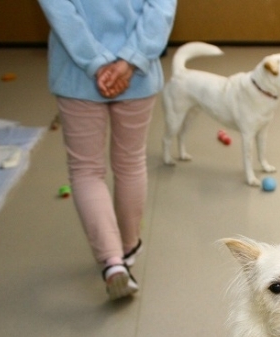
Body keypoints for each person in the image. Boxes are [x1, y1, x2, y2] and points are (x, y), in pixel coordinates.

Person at [37, 0, 176, 300]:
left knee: (86, 171)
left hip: (76, 74)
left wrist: (96, 62)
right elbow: (160, 9)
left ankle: (113, 263)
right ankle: (127, 251)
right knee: (130, 162)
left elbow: (60, 10)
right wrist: (129, 62)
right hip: (137, 75)